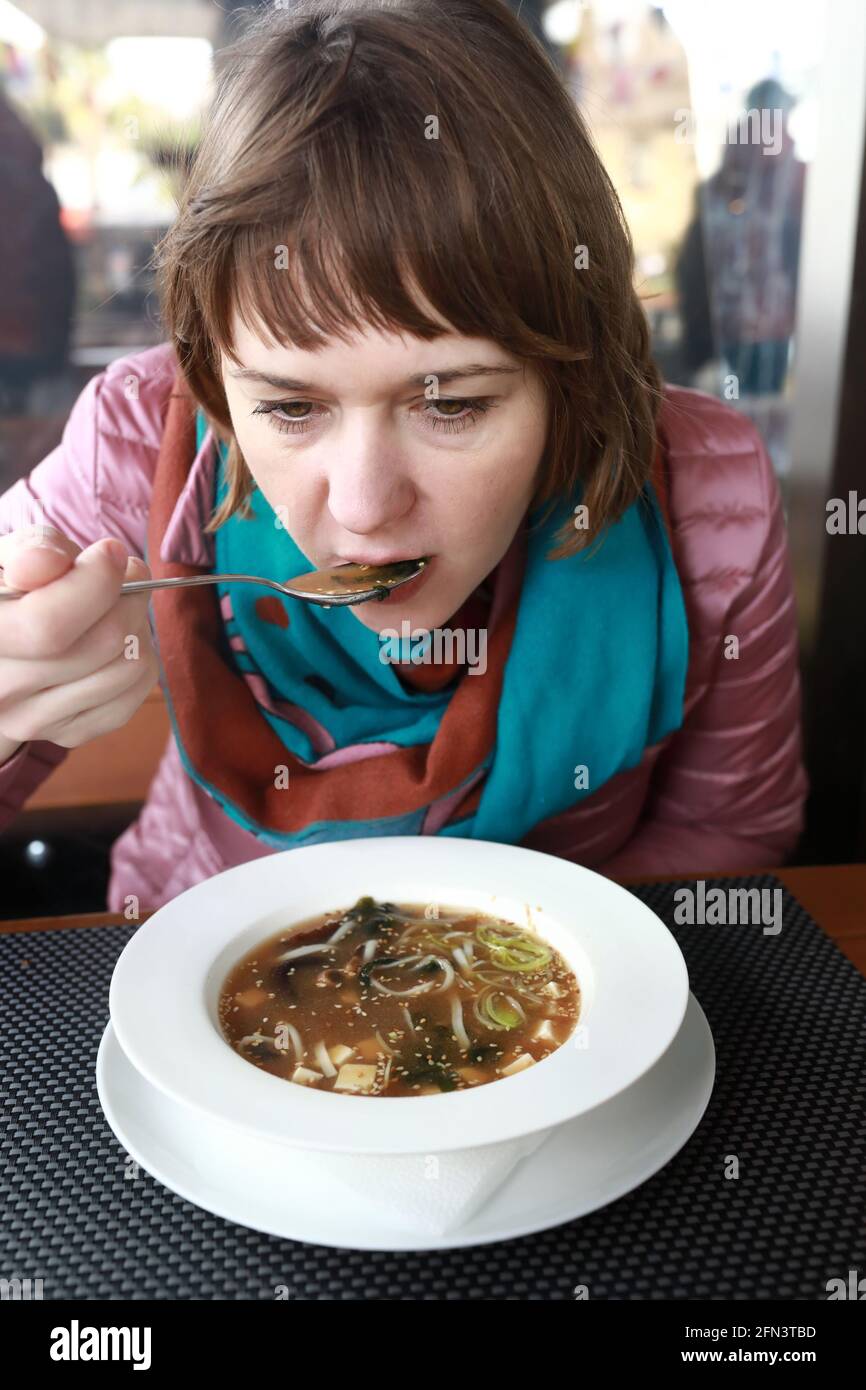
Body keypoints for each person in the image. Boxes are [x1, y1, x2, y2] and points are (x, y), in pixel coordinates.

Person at [0, 0, 807, 913]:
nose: (364, 505)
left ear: (574, 373)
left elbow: (728, 837)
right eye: (291, 407)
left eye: (451, 405)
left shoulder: (712, 493)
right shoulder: (140, 440)